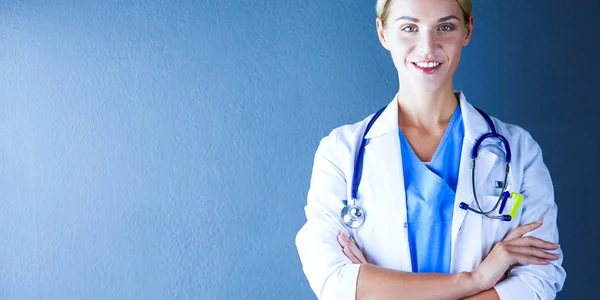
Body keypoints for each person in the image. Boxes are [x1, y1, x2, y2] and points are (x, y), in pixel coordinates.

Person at [295, 0, 566, 299]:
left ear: (468, 30)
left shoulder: (519, 150)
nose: (428, 46)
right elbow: (333, 279)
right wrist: (475, 280)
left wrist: (382, 289)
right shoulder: (341, 153)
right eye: (409, 28)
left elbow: (539, 278)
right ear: (383, 33)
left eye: (445, 27)